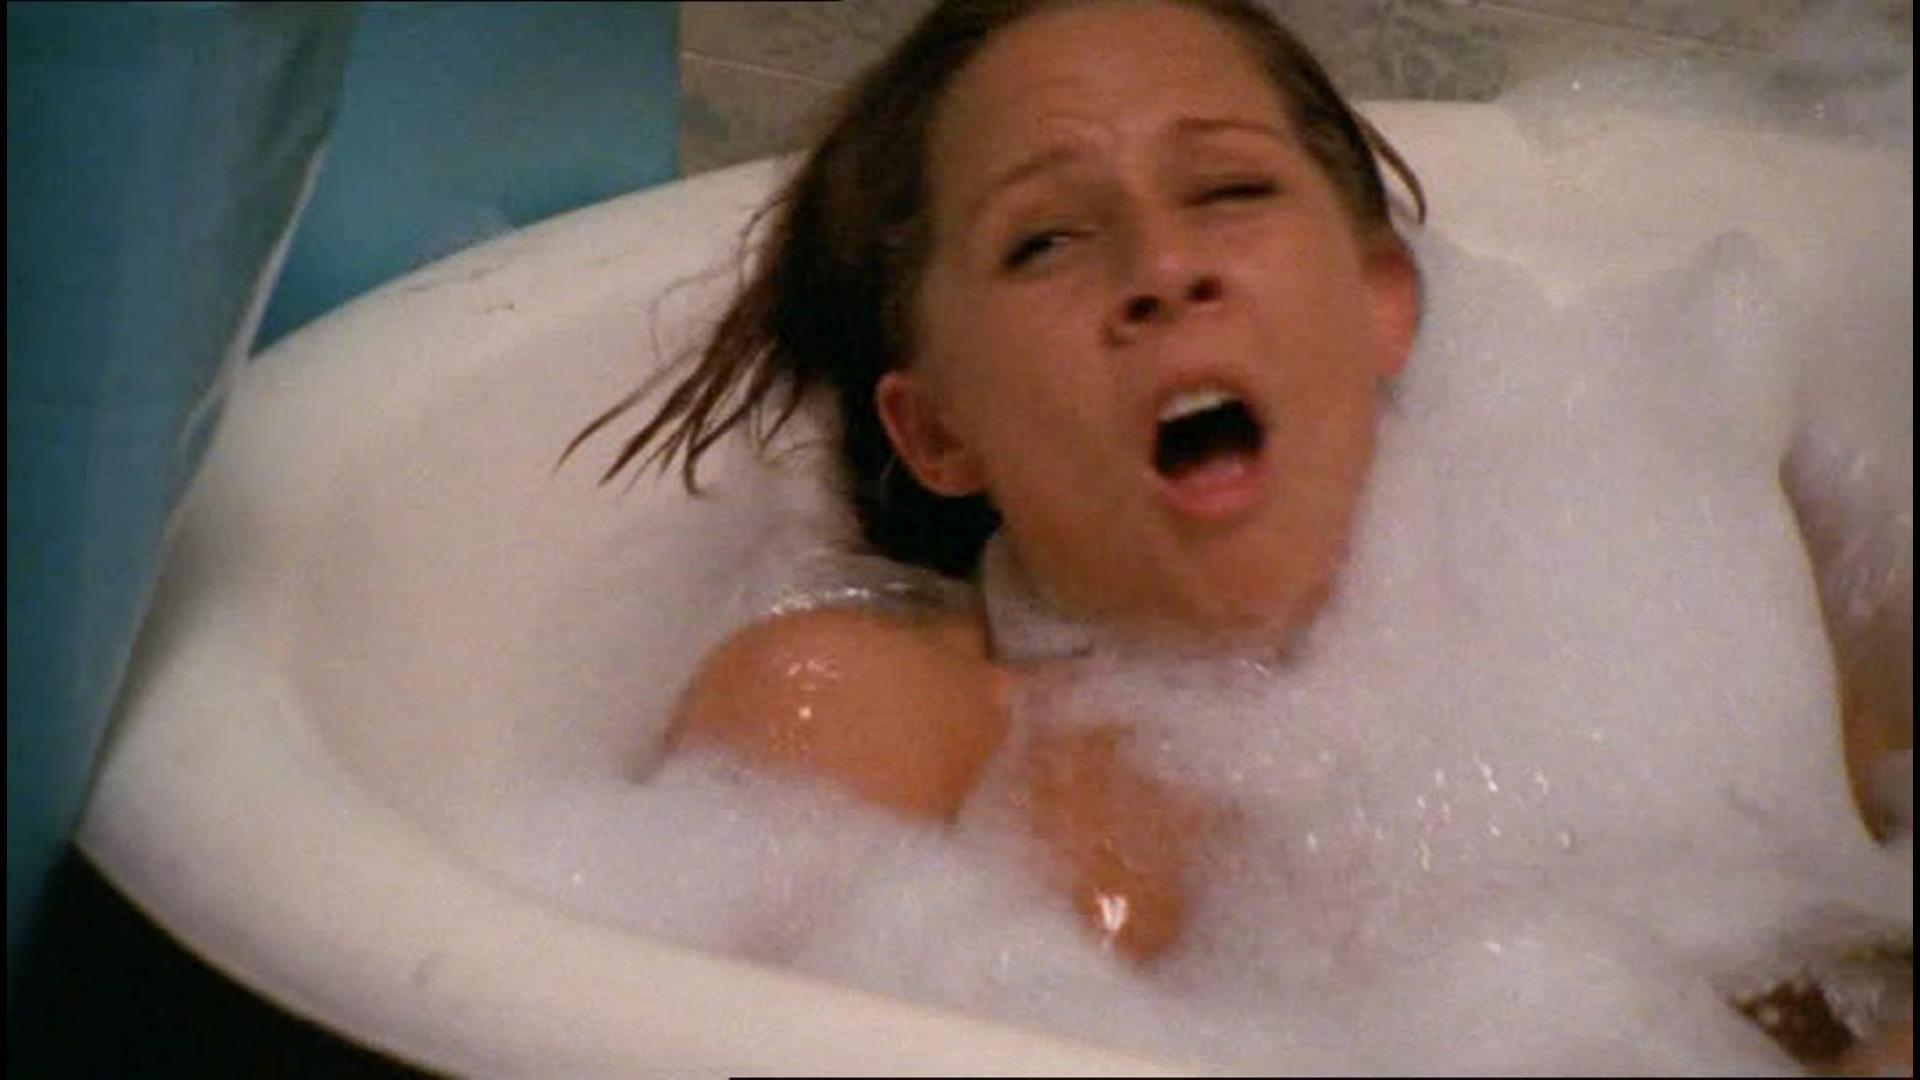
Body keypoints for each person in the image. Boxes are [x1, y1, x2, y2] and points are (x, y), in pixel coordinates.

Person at [570, 0, 1909, 1068]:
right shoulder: (876, 721)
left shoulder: (1681, 579)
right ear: (937, 429)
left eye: (1228, 192)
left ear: (1382, 300)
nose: (1164, 269)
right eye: (1042, 243)